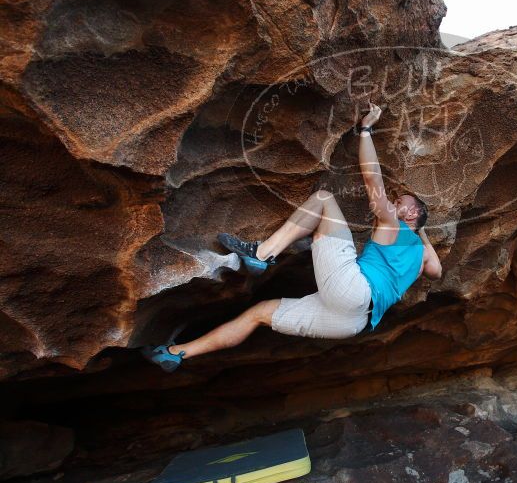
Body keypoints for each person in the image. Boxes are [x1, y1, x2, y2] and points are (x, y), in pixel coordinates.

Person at [142, 103, 442, 372]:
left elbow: (372, 178)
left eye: (400, 201)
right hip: (353, 322)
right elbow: (437, 270)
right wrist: (422, 229)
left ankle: (261, 254)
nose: (393, 202)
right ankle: (175, 353)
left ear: (411, 214)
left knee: (324, 199)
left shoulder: (395, 225)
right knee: (258, 314)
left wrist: (365, 130)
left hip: (353, 290)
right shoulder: (421, 256)